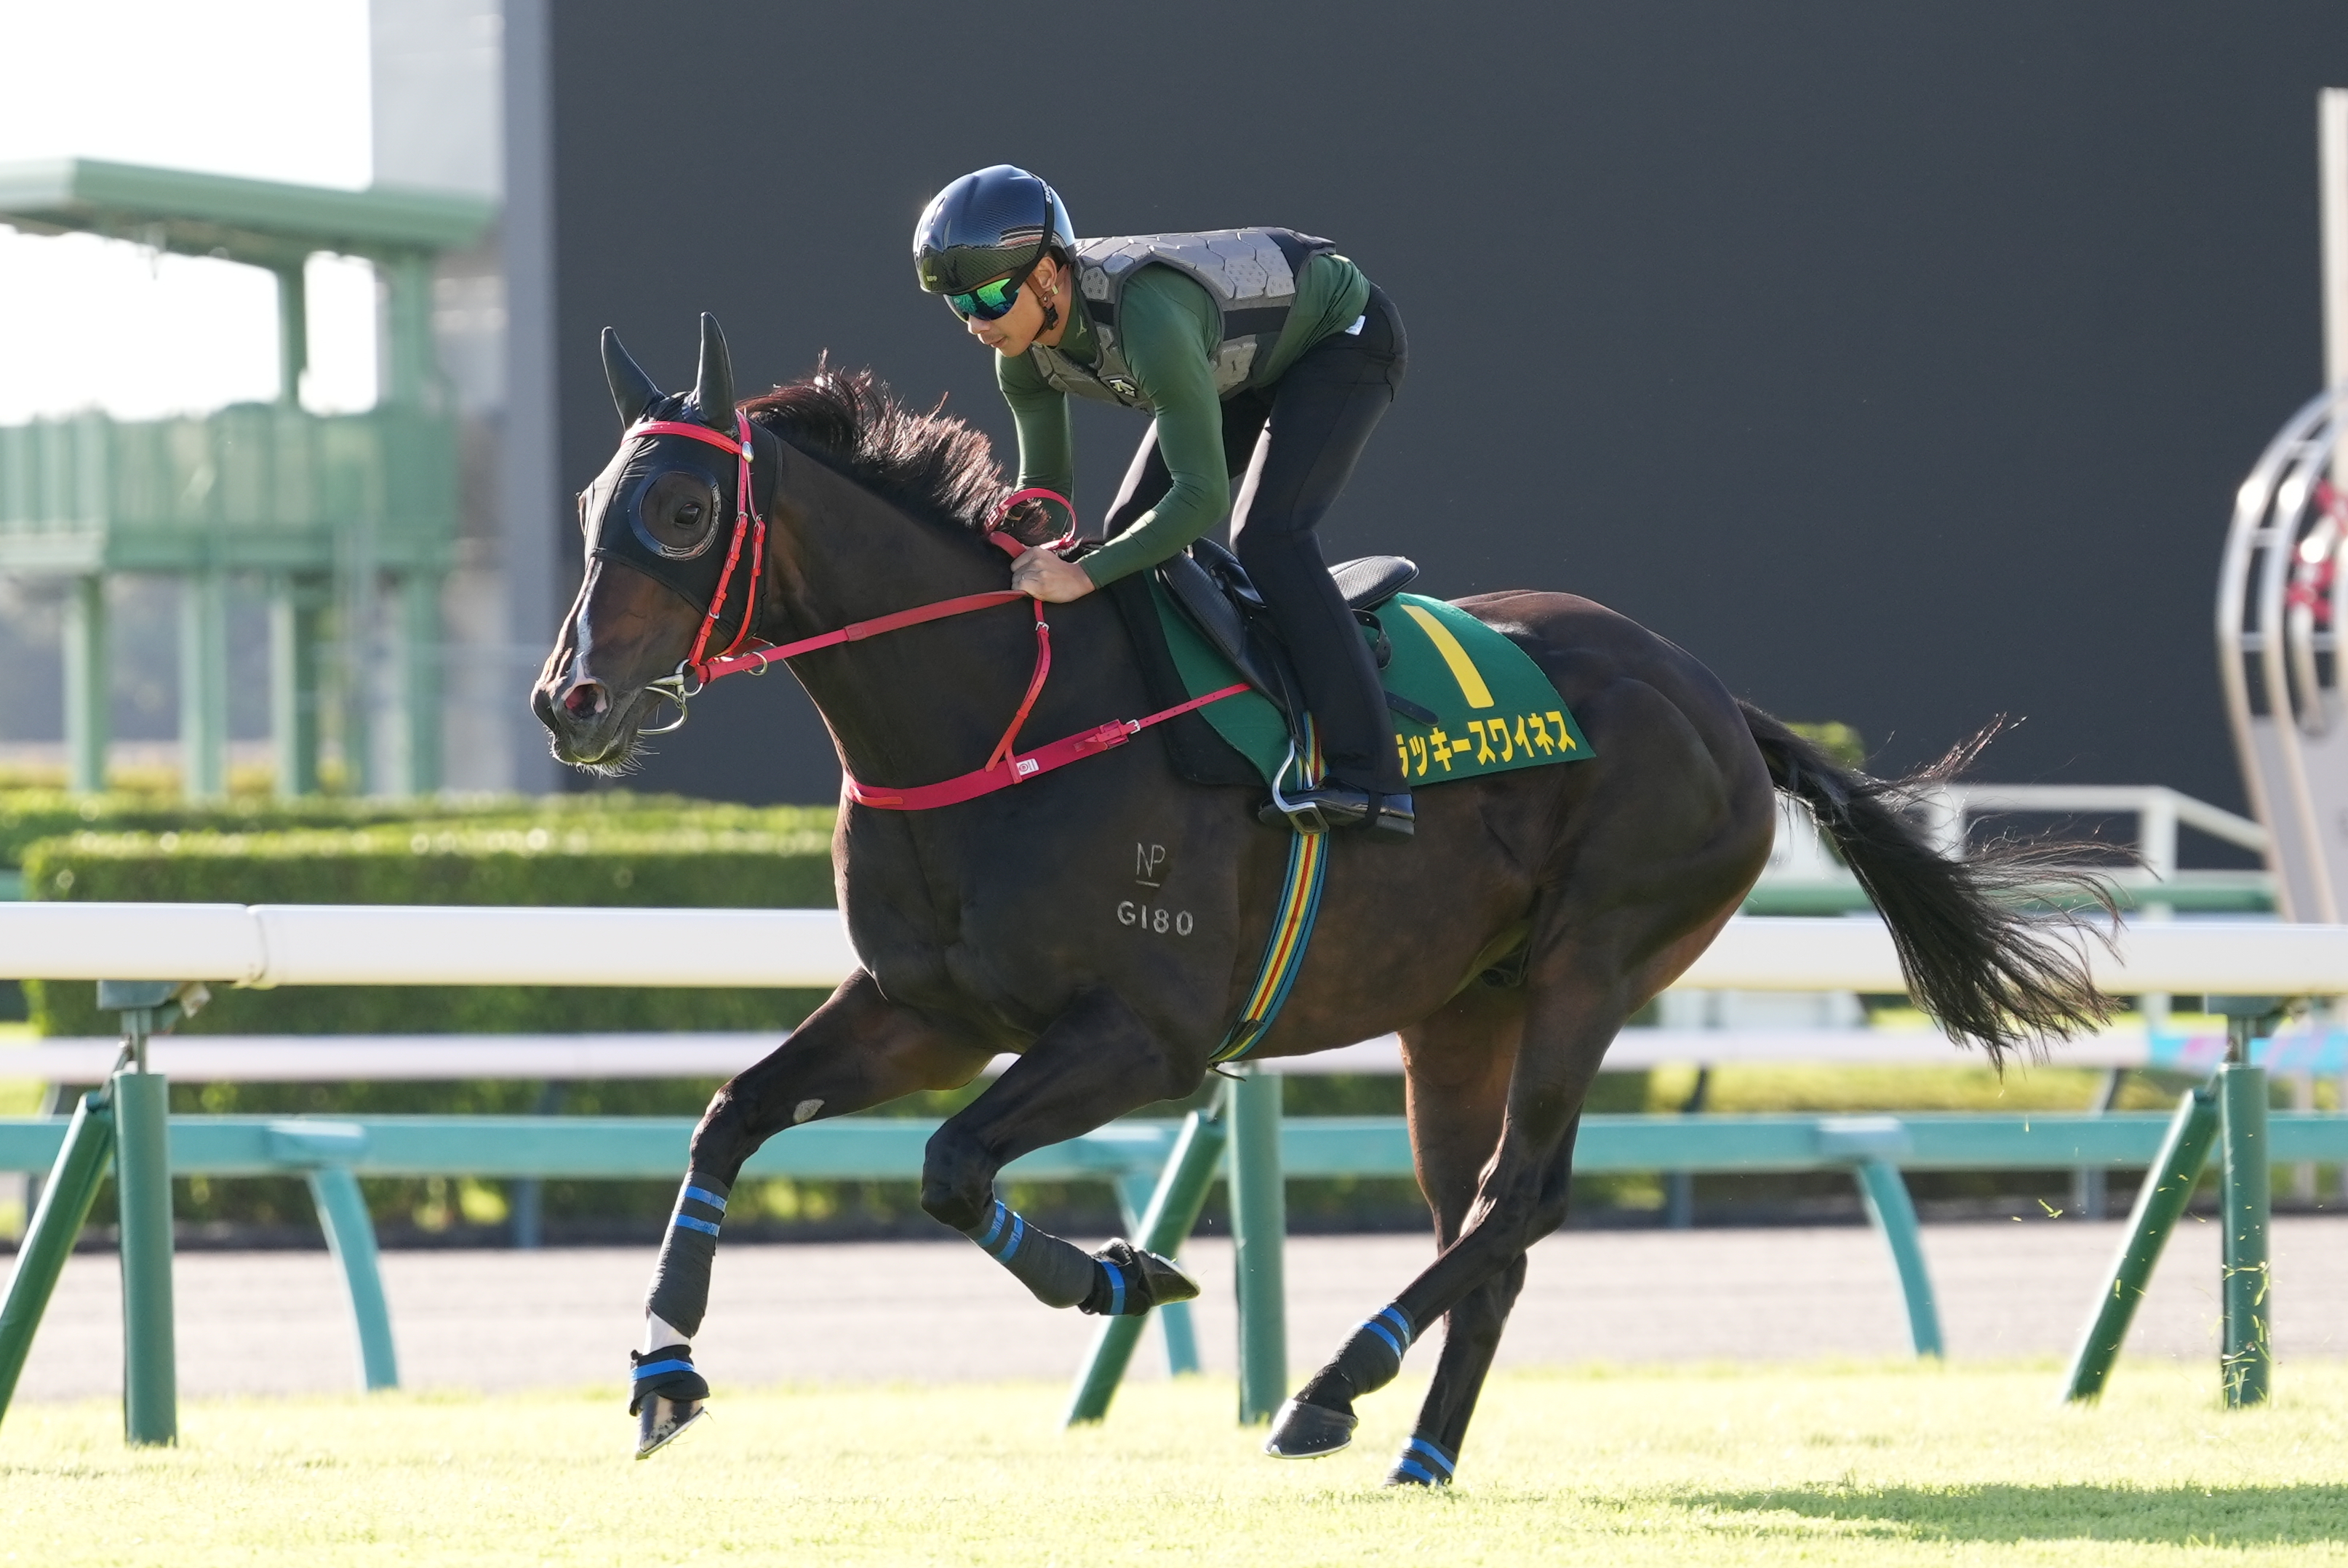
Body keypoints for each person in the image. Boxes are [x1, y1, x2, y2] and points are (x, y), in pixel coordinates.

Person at [912, 165, 1413, 838]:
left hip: (1339, 340)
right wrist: (1005, 539)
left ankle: (1372, 779)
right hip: (1243, 360)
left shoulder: (1146, 316)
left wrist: (1082, 573)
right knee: (1128, 532)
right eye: (960, 305)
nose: (977, 323)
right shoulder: (1019, 355)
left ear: (1048, 274)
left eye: (992, 297)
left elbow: (1200, 496)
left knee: (1269, 536)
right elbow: (1049, 499)